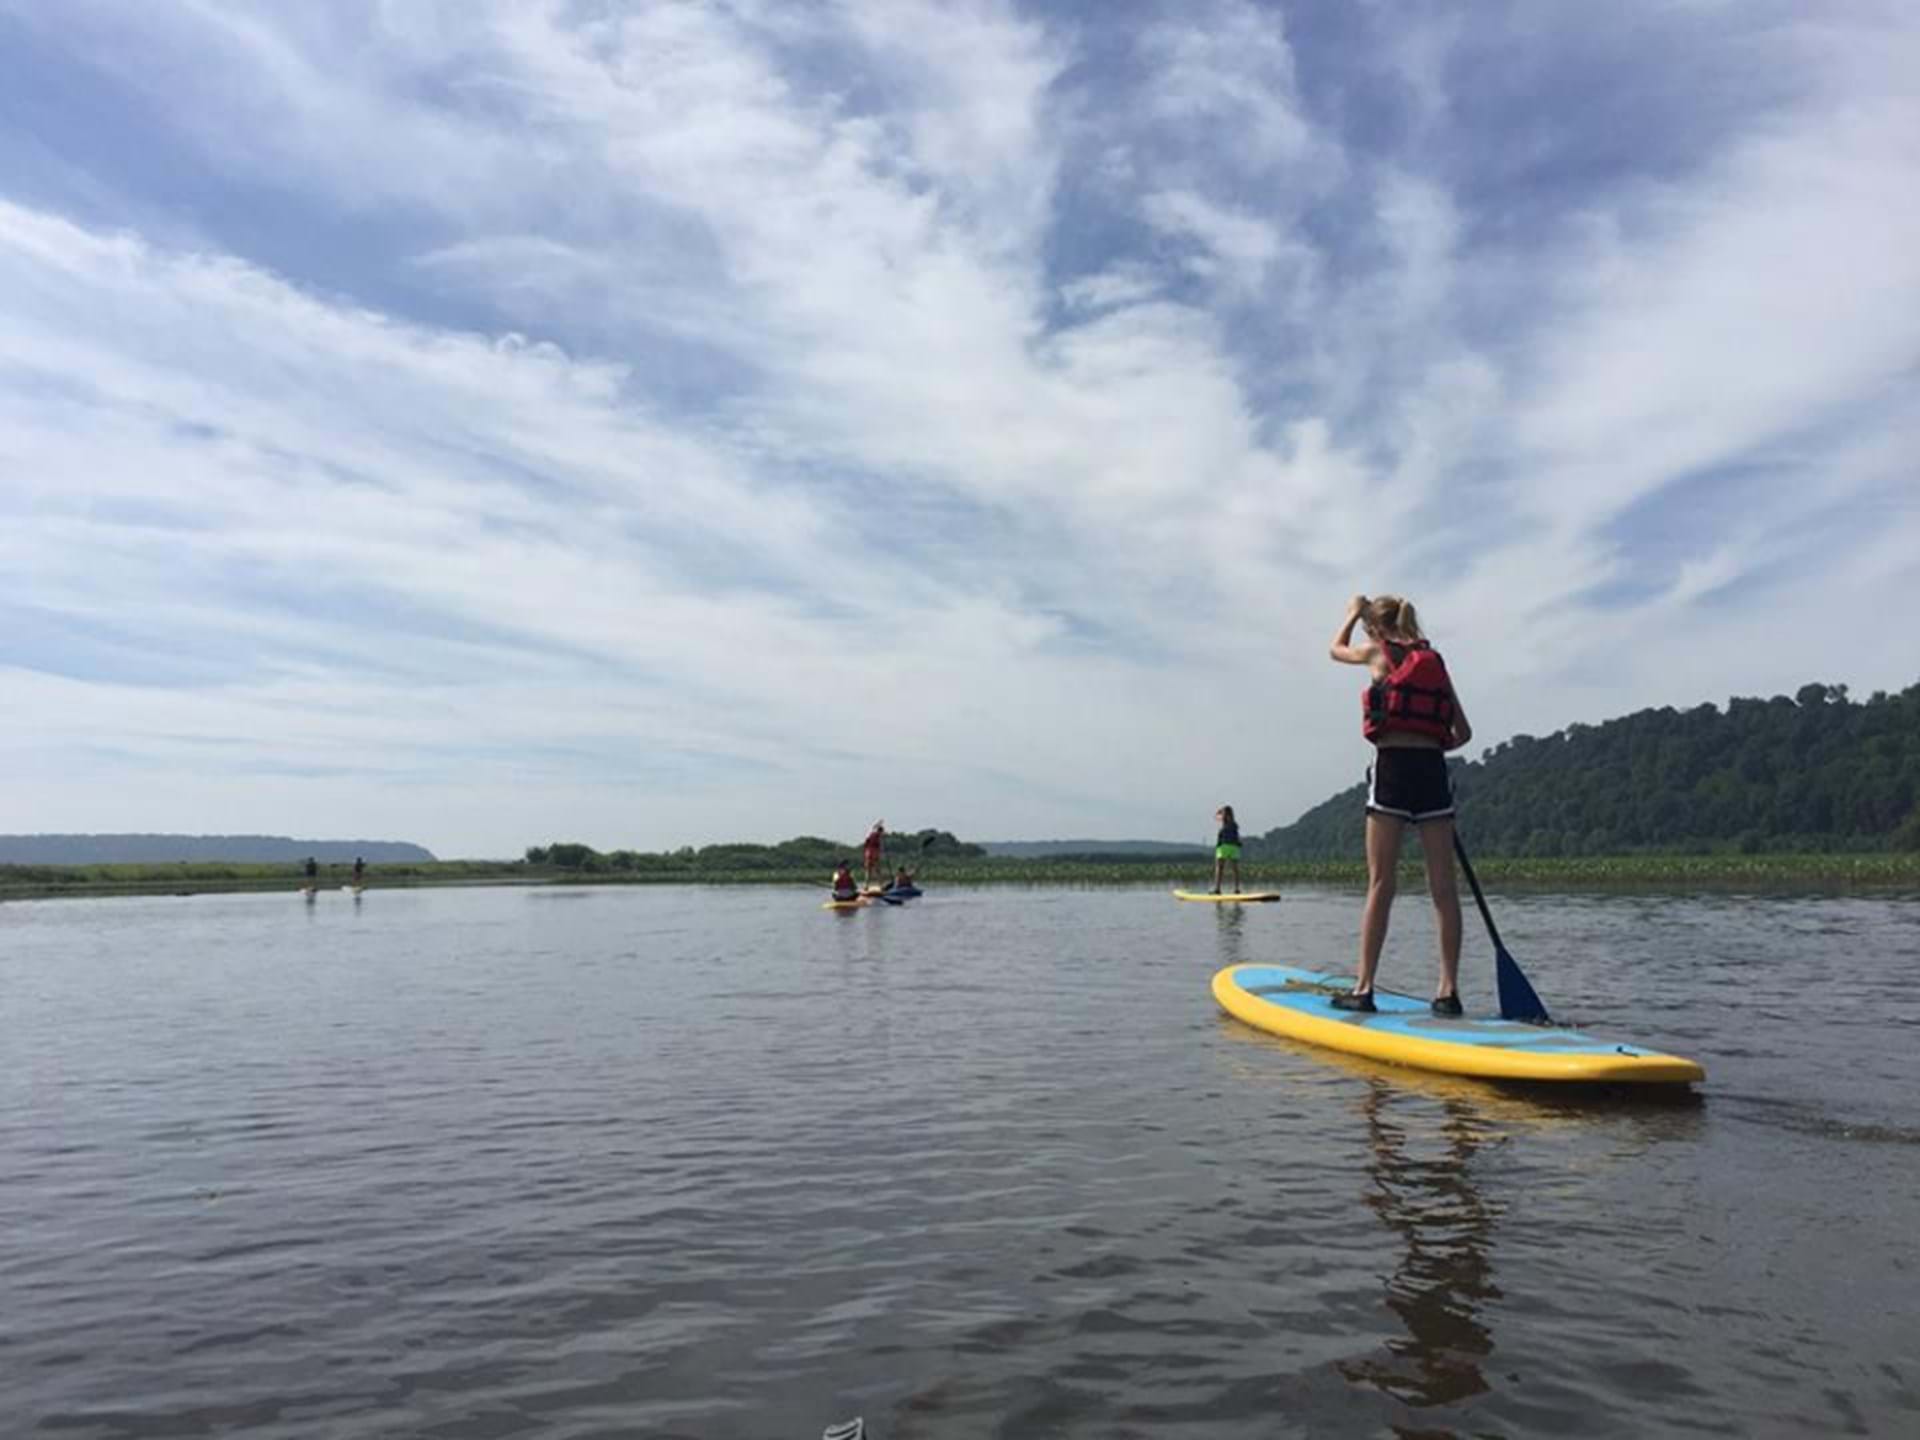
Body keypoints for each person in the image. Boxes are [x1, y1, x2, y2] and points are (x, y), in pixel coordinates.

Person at [1328, 594, 1473, 1015]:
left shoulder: (1376, 650)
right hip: (1431, 773)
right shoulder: (1434, 661)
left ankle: (1364, 988)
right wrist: (1428, 743)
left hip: (1392, 770)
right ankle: (1447, 993)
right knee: (1444, 889)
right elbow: (1462, 732)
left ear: (1375, 628)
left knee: (1380, 884)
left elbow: (1334, 650)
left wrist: (1351, 612)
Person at [1212, 805, 1242, 894]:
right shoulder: (1235, 824)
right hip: (1234, 847)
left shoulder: (1224, 821)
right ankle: (1237, 889)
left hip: (1224, 846)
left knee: (1219, 868)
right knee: (1235, 869)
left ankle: (1217, 889)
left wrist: (1219, 811)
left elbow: (1216, 817)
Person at [862, 820, 886, 889]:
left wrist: (879, 823)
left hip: (868, 853)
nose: (882, 834)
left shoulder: (872, 834)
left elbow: (874, 827)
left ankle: (866, 886)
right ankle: (881, 885)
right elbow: (880, 847)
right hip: (873, 854)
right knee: (877, 870)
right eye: (882, 832)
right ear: (880, 832)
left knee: (869, 871)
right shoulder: (877, 836)